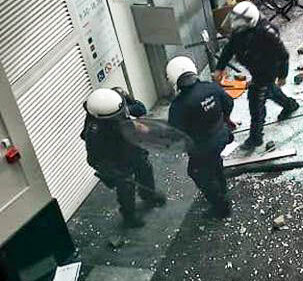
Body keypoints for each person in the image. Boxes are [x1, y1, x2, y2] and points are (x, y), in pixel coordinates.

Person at [214, 1, 297, 151]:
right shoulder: (241, 29)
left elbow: (283, 55)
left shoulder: (267, 33)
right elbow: (229, 47)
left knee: (256, 102)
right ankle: (290, 105)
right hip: (255, 67)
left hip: (266, 70)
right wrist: (220, 68)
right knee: (270, 91)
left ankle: (255, 137)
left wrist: (282, 75)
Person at [81, 88, 166, 228]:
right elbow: (94, 158)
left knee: (145, 170)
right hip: (115, 158)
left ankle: (149, 196)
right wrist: (111, 171)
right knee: (126, 187)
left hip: (132, 148)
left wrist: (130, 102)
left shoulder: (116, 100)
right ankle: (129, 216)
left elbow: (140, 109)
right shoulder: (94, 130)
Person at [166, 56, 234, 219]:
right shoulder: (211, 87)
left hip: (202, 147)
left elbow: (175, 132)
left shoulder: (178, 105)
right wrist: (224, 119)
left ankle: (221, 206)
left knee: (197, 172)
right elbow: (229, 103)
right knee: (215, 160)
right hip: (222, 136)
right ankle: (222, 187)